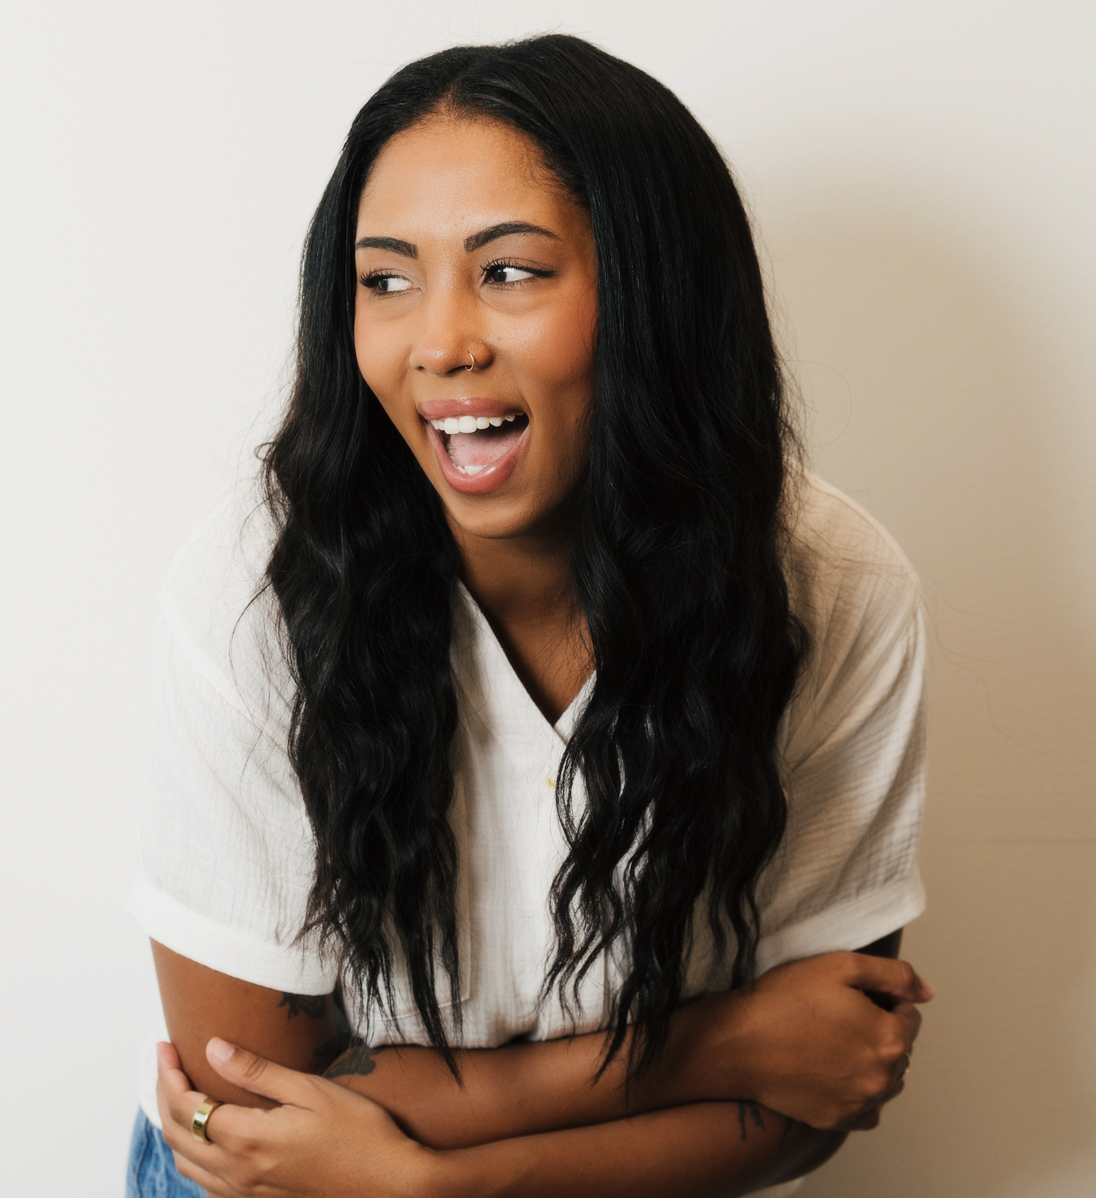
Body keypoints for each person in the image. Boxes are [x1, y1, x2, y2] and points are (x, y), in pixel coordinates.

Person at [126, 35, 931, 1198]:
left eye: (509, 271)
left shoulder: (832, 586)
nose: (441, 341)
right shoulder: (255, 586)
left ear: (656, 295)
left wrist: (435, 1184)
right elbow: (244, 1116)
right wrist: (718, 1043)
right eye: (386, 279)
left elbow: (825, 1081)